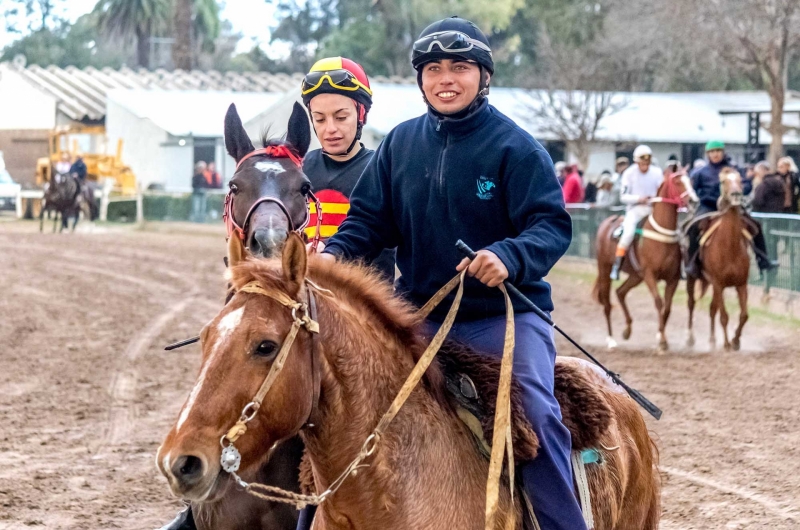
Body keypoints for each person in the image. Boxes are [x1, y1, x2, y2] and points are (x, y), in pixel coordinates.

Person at [318, 16, 587, 530]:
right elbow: (367, 222)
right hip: (415, 315)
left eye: (460, 67)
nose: (446, 78)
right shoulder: (399, 145)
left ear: (483, 76)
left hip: (499, 318)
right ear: (420, 80)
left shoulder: (517, 147)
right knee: (331, 404)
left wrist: (509, 255)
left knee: (534, 404)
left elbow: (550, 226)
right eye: (434, 68)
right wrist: (330, 256)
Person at [300, 56, 395, 279]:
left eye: (341, 117)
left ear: (362, 114)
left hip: (366, 305)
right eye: (320, 119)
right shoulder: (299, 169)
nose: (330, 129)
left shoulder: (382, 169)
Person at [685, 140, 776, 277]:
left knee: (755, 226)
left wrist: (738, 190)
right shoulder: (700, 173)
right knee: (693, 228)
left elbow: (746, 184)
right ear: (708, 154)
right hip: (709, 207)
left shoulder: (735, 169)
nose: (715, 154)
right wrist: (701, 196)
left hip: (731, 207)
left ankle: (762, 260)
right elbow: (693, 190)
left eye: (718, 151)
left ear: (723, 152)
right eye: (712, 152)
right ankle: (692, 264)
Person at [609, 145, 664, 280]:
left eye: (647, 162)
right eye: (642, 162)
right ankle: (617, 264)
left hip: (653, 209)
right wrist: (639, 199)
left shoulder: (657, 172)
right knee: (628, 234)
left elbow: (661, 190)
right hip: (635, 210)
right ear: (636, 161)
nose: (645, 165)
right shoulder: (629, 173)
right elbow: (623, 196)